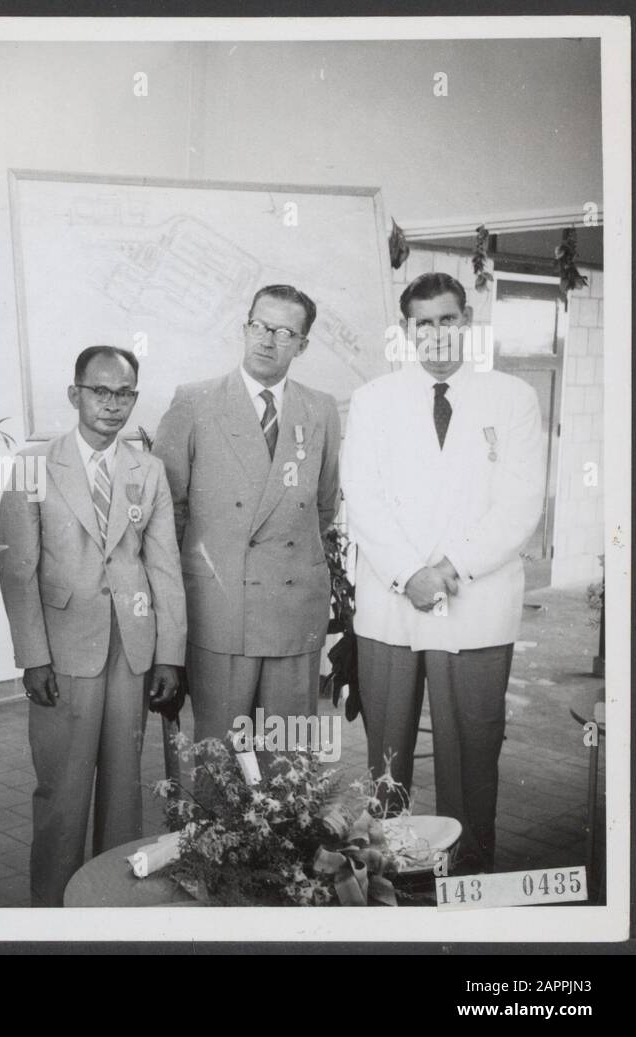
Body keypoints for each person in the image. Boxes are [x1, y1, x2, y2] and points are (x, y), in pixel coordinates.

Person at [341, 271, 545, 873]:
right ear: (407, 331)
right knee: (387, 760)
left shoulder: (512, 397)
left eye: (447, 319)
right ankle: (388, 878)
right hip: (391, 604)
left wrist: (451, 568)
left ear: (468, 322)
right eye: (423, 323)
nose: (436, 333)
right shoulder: (374, 399)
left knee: (473, 755)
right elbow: (363, 497)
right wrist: (410, 574)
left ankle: (467, 876)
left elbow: (520, 504)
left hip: (476, 604)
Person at [0, 346, 186, 906]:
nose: (112, 404)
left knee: (125, 791)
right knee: (63, 791)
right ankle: (53, 912)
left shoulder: (148, 469)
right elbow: (18, 570)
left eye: (124, 394)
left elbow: (164, 566)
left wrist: (169, 654)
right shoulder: (34, 466)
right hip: (62, 650)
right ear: (74, 394)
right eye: (100, 391)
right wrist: (33, 656)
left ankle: (113, 909)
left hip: (132, 649)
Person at [153, 285, 342, 747]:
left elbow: (323, 504)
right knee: (220, 754)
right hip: (221, 606)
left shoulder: (320, 408)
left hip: (292, 608)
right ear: (244, 328)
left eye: (284, 332)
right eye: (259, 325)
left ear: (302, 345)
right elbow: (168, 512)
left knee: (288, 755)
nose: (267, 340)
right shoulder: (195, 401)